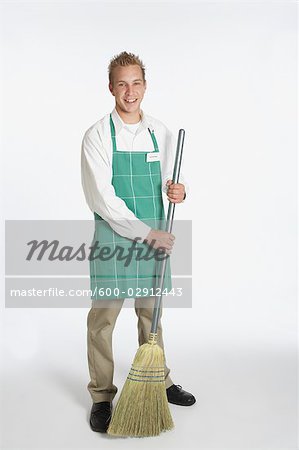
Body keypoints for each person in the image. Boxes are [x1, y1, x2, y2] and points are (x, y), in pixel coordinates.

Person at [81, 51, 196, 434]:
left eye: (136, 83)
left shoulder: (159, 132)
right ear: (110, 87)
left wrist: (177, 191)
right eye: (122, 83)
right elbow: (103, 198)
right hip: (116, 237)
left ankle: (158, 382)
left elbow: (167, 182)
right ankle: (101, 395)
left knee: (152, 316)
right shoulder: (97, 135)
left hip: (153, 238)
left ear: (145, 85)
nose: (130, 91)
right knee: (103, 321)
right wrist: (146, 232)